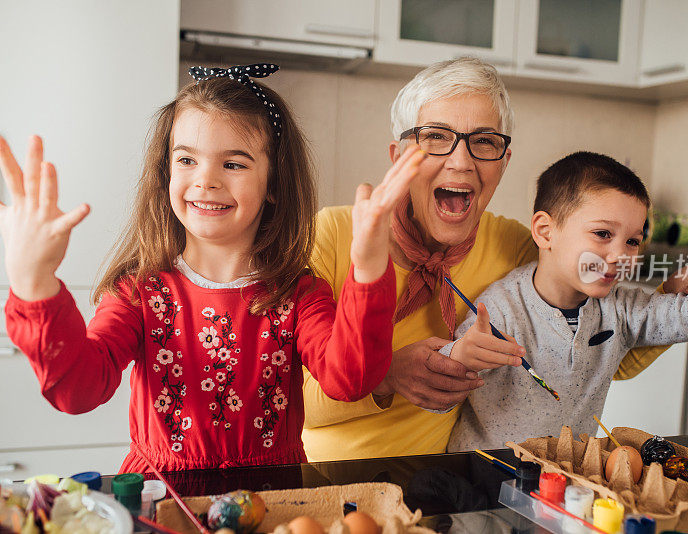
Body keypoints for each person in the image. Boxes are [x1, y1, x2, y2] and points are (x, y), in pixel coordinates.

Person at [301, 57, 688, 462]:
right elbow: (280, 399)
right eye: (435, 137)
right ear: (399, 155)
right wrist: (385, 376)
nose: (462, 162)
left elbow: (596, 351)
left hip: (455, 483)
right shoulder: (331, 235)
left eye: (484, 141)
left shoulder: (516, 245)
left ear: (503, 161)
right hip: (334, 477)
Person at [1, 63, 426, 472]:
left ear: (274, 184)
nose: (206, 180)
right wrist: (33, 282)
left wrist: (369, 266)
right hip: (165, 501)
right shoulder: (139, 292)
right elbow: (78, 389)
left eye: (234, 163)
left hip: (273, 500)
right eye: (187, 160)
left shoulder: (298, 294)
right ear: (166, 171)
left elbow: (349, 379)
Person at [440, 153, 688, 451]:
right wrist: (457, 360)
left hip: (564, 486)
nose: (621, 255)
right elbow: (437, 399)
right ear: (546, 232)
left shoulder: (621, 308)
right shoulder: (500, 309)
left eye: (633, 241)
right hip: (482, 480)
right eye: (603, 234)